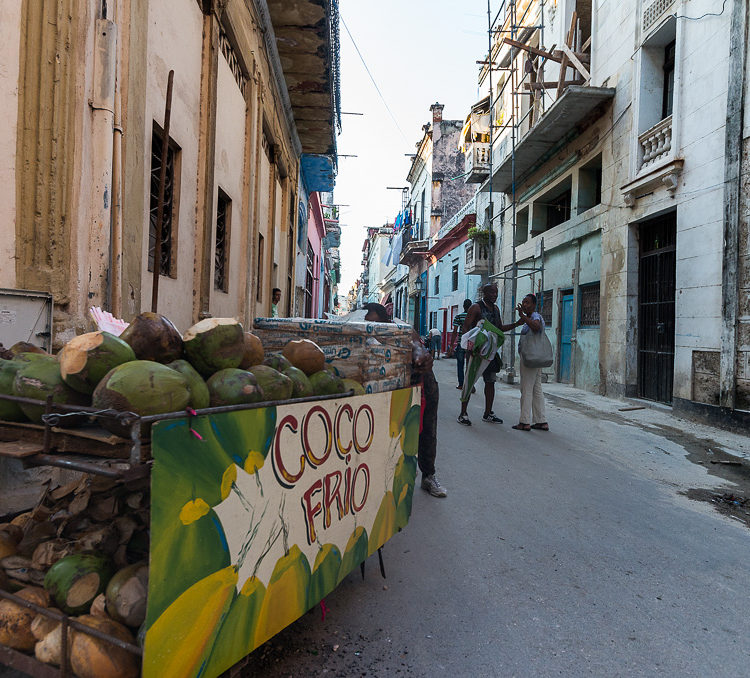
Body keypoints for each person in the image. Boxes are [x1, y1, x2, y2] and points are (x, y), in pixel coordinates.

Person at [364, 302, 447, 498]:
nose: (370, 328)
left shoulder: (400, 330)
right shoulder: (361, 335)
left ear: (385, 321)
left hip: (422, 383)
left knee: (426, 431)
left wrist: (421, 356)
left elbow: (416, 344)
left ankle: (428, 476)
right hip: (389, 388)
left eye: (374, 324)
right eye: (367, 323)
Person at [457, 284, 520, 426]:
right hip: (476, 352)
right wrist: (470, 348)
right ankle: (463, 413)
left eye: (496, 292)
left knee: (490, 382)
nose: (494, 295)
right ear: (484, 293)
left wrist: (517, 323)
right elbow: (466, 327)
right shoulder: (476, 307)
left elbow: (499, 328)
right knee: (469, 382)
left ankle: (488, 413)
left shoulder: (496, 309)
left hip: (490, 352)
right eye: (491, 292)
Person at [512, 293, 549, 432]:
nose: (524, 305)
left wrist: (523, 316)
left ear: (534, 305)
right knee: (536, 388)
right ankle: (541, 420)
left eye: (527, 302)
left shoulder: (534, 317)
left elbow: (536, 327)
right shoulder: (531, 317)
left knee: (526, 388)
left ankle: (524, 421)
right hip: (535, 358)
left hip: (531, 358)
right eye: (523, 302)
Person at [447, 299, 473, 389]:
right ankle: (470, 384)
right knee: (470, 365)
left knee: (460, 365)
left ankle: (461, 384)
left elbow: (455, 331)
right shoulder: (475, 317)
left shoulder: (459, 317)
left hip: (461, 343)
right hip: (472, 344)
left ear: (463, 306)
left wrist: (451, 345)